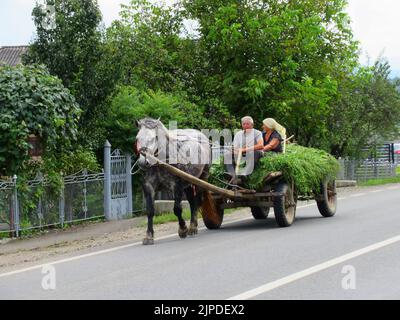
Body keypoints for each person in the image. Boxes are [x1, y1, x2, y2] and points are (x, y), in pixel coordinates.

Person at [225, 116, 264, 185]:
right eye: (244, 124)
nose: (245, 126)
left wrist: (244, 149)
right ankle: (231, 174)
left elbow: (260, 145)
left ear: (252, 125)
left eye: (247, 124)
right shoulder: (238, 134)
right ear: (242, 125)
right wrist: (234, 151)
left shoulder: (257, 133)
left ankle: (245, 173)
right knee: (227, 154)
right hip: (241, 154)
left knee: (256, 152)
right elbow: (235, 147)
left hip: (253, 153)